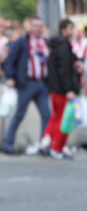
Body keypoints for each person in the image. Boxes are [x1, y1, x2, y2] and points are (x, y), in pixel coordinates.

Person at [2, 17, 51, 155]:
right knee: (20, 114)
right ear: (30, 27)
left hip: (42, 83)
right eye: (35, 26)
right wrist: (10, 77)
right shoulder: (22, 42)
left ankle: (44, 144)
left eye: (40, 26)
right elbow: (10, 60)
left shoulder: (45, 42)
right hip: (27, 83)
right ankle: (8, 143)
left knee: (46, 114)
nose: (38, 29)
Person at [43, 19, 80, 160]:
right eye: (71, 28)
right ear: (63, 30)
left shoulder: (60, 46)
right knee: (65, 119)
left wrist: (76, 62)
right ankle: (57, 147)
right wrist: (69, 89)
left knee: (57, 116)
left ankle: (48, 141)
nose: (73, 31)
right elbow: (64, 71)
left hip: (56, 88)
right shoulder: (63, 47)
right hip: (63, 90)